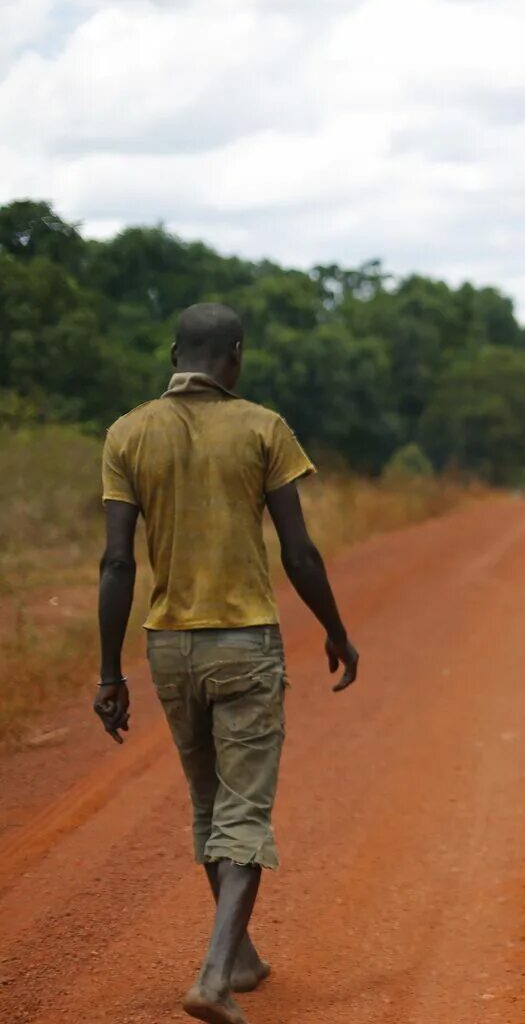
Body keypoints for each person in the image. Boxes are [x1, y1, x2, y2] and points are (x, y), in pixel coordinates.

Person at [93, 302, 360, 1024]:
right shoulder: (262, 428)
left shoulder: (127, 432)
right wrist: (335, 628)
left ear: (175, 353)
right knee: (243, 812)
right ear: (234, 356)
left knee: (209, 804)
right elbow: (297, 551)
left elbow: (117, 561)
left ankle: (239, 958)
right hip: (243, 642)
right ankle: (213, 977)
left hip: (168, 648)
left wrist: (110, 672)